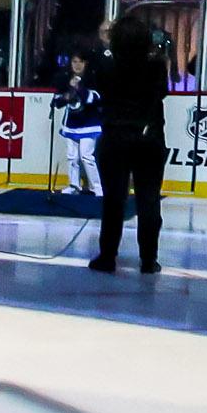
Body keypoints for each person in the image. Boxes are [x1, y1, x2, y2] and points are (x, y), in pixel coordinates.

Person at [88, 20, 170, 274]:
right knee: (149, 199)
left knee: (114, 200)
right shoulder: (156, 66)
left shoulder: (107, 65)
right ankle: (148, 259)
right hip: (149, 138)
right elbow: (162, 93)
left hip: (115, 138)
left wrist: (105, 47)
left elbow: (98, 83)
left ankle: (108, 256)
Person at [52, 55, 102, 198]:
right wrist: (65, 97)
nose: (77, 65)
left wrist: (78, 88)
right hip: (71, 124)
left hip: (89, 123)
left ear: (86, 63)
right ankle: (74, 185)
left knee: (86, 156)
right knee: (72, 156)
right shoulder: (65, 79)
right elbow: (58, 101)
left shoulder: (92, 78)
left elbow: (93, 99)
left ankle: (97, 187)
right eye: (74, 62)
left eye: (81, 61)